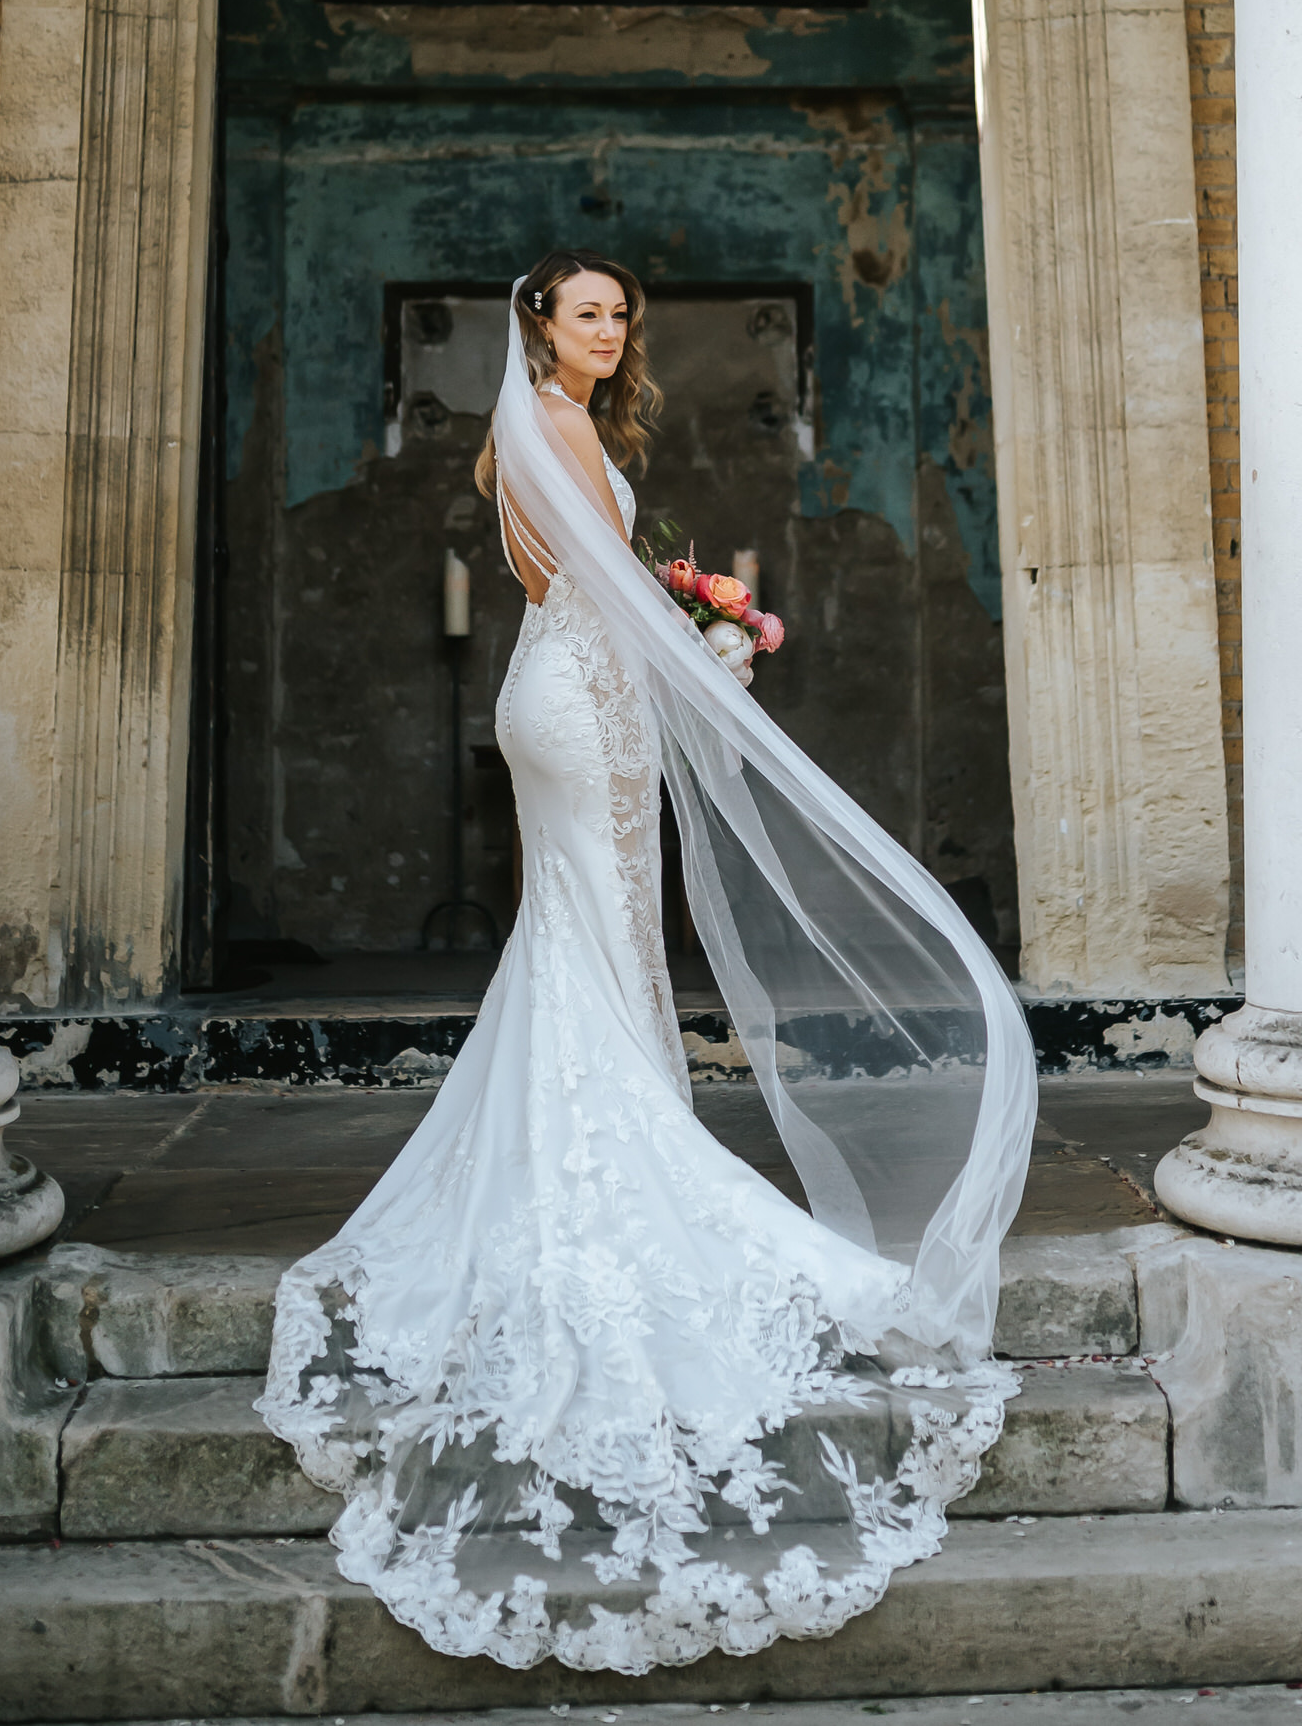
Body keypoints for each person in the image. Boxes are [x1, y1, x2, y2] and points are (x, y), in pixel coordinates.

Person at [256, 248, 1037, 1675]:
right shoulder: (551, 426)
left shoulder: (542, 429)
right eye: (588, 313)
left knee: (583, 933)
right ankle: (609, 1152)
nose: (610, 330)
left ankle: (579, 1136)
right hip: (586, 696)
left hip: (561, 685)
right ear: (539, 325)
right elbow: (605, 583)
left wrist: (684, 627)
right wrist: (706, 644)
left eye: (621, 314)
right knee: (601, 926)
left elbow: (576, 577)